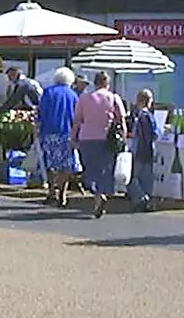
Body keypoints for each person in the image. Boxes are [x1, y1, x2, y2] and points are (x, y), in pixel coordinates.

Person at [72, 70, 127, 218]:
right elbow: (121, 120)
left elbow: (77, 120)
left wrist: (73, 138)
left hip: (87, 138)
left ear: (95, 83)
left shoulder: (84, 98)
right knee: (105, 169)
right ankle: (101, 195)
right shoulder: (114, 98)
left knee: (90, 169)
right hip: (107, 139)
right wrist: (124, 137)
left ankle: (97, 195)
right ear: (107, 83)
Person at [36, 67, 80, 208]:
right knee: (65, 165)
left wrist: (37, 128)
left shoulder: (48, 92)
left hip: (49, 132)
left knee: (50, 164)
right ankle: (62, 193)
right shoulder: (73, 95)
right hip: (67, 133)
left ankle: (51, 191)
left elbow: (41, 113)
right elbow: (77, 117)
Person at [129, 90, 158, 212]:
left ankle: (142, 198)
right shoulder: (148, 116)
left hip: (140, 150)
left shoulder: (142, 116)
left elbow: (144, 135)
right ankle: (146, 201)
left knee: (132, 177)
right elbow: (154, 134)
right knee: (146, 178)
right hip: (147, 150)